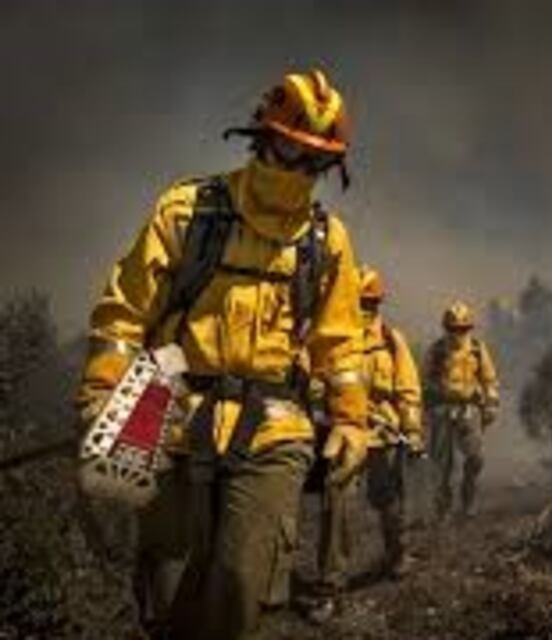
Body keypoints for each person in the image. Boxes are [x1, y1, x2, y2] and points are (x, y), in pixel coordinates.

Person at [75, 66, 372, 640]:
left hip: (274, 429)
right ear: (261, 137)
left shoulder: (325, 240)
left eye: (319, 161)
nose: (302, 169)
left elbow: (340, 343)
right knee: (166, 592)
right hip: (161, 406)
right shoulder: (188, 212)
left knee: (239, 592)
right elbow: (123, 314)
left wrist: (353, 419)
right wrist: (99, 392)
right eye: (292, 148)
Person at [310, 266, 424, 621]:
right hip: (345, 435)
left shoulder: (392, 340)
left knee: (388, 502)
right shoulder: (329, 338)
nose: (365, 310)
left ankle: (397, 554)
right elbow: (313, 382)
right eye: (358, 302)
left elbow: (408, 391)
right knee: (337, 507)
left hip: (384, 437)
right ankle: (330, 589)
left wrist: (413, 430)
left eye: (371, 303)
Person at [424, 301, 499, 520]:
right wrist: (435, 397)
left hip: (469, 410)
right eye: (453, 329)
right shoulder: (437, 350)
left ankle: (468, 500)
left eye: (463, 329)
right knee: (443, 466)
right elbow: (425, 380)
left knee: (476, 459)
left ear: (469, 328)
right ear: (446, 328)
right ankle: (443, 509)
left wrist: (491, 405)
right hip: (443, 410)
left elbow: (489, 380)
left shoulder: (477, 349)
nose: (458, 333)